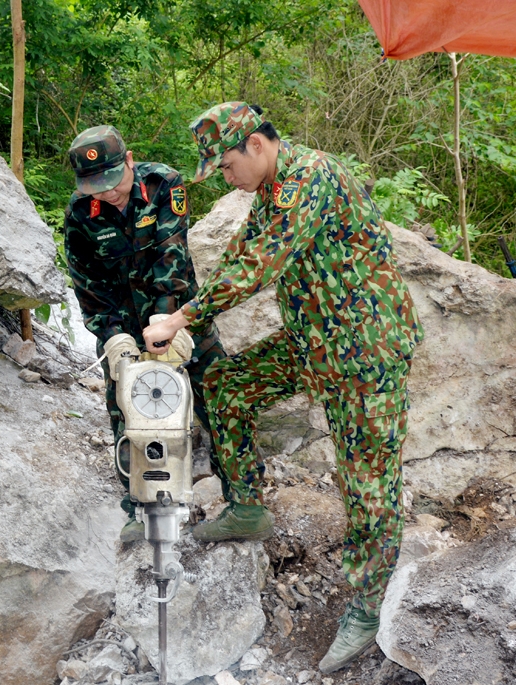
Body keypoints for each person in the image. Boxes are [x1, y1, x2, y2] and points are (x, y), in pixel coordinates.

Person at [141, 103, 423, 673]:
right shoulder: (273, 189)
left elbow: (262, 264)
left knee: (367, 483)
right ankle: (246, 506)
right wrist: (181, 310)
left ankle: (366, 610)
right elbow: (245, 247)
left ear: (257, 147)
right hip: (313, 343)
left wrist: (181, 320)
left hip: (366, 353)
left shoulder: (309, 177)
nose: (224, 177)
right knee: (227, 386)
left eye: (224, 166)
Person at [63, 125, 226, 542]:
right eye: (96, 188)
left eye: (113, 182)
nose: (108, 194)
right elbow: (89, 286)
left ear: (130, 161)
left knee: (221, 399)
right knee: (128, 414)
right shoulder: (80, 214)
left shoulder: (164, 185)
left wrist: (170, 322)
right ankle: (138, 508)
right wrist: (113, 336)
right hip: (125, 327)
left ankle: (242, 499)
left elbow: (172, 256)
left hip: (179, 317)